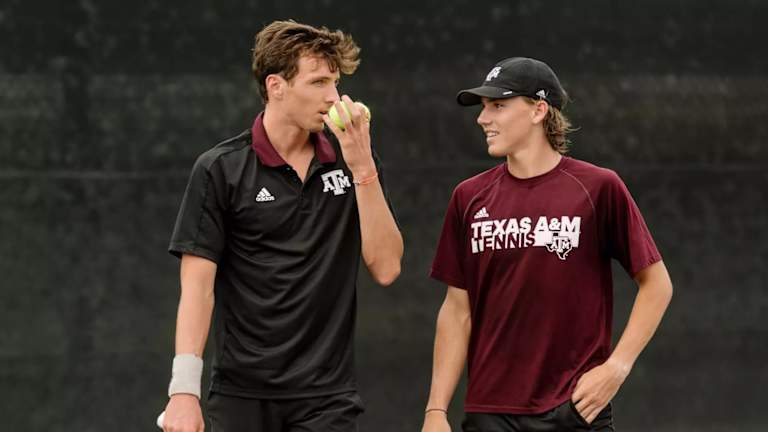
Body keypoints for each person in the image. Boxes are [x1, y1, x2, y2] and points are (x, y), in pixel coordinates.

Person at [160, 20, 403, 432]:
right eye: (319, 82)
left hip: (328, 399)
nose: (334, 97)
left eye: (336, 83)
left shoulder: (353, 159)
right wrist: (183, 391)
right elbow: (198, 289)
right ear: (276, 86)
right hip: (240, 397)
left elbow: (387, 266)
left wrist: (363, 168)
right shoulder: (221, 168)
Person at [421, 57, 673, 432]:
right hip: (490, 413)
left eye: (498, 106)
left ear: (539, 110)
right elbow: (457, 311)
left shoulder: (597, 188)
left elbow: (657, 285)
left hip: (574, 409)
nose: (483, 119)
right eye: (483, 108)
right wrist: (436, 411)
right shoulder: (468, 197)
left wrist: (616, 368)